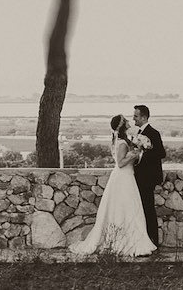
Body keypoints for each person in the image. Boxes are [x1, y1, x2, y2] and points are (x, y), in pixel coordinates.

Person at [67, 115, 156, 257]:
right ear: (121, 125)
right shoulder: (121, 143)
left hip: (127, 176)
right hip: (123, 178)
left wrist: (138, 150)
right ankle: (125, 241)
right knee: (127, 208)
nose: (128, 121)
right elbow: (120, 163)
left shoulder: (123, 140)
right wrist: (134, 154)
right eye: (126, 120)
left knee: (129, 208)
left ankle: (132, 238)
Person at [133, 104, 166, 244]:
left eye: (136, 116)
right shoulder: (139, 133)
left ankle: (153, 240)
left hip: (148, 177)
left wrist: (142, 155)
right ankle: (145, 239)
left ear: (144, 117)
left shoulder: (153, 133)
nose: (133, 118)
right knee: (142, 209)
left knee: (148, 209)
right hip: (141, 177)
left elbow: (161, 153)